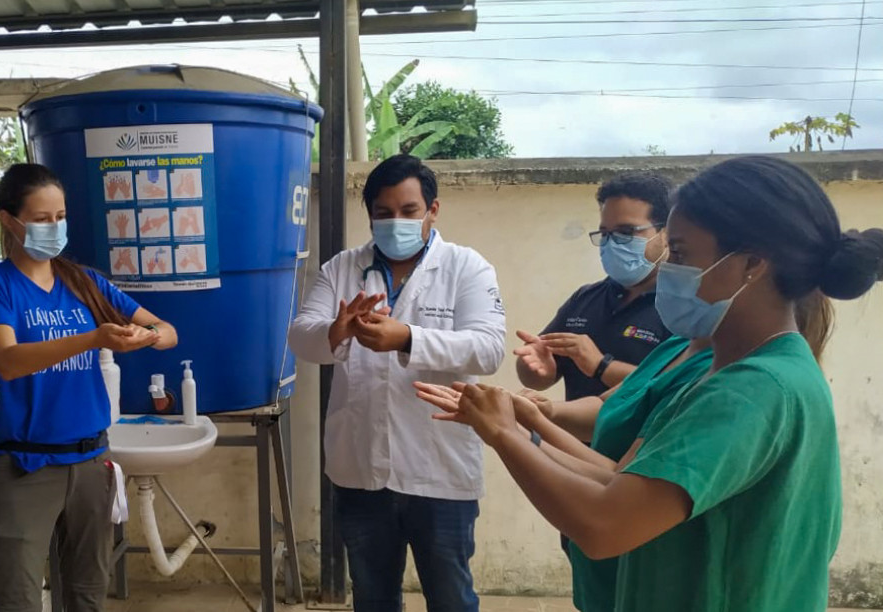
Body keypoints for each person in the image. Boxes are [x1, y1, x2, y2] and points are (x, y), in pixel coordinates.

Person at [419, 156, 883, 611]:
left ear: (751, 264)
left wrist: (503, 435)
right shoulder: (733, 368)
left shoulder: (752, 390)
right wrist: (519, 425)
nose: (666, 270)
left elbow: (605, 524)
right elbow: (621, 479)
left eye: (680, 254)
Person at [288, 154, 506, 612]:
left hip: (440, 471)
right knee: (372, 599)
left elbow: (488, 349)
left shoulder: (467, 267)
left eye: (409, 211)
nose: (396, 222)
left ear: (433, 210)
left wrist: (408, 338)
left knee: (451, 599)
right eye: (383, 214)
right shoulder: (341, 268)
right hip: (360, 471)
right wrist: (337, 330)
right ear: (369, 214)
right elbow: (301, 338)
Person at [0, 163, 179, 612]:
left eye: (60, 216)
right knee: (16, 598)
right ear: (9, 220)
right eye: (42, 219)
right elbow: (8, 360)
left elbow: (167, 330)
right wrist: (96, 338)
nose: (55, 227)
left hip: (89, 463)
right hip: (23, 465)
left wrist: (149, 335)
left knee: (86, 595)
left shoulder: (84, 282)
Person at [515, 173, 674, 405]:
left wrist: (601, 366)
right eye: (605, 234)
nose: (612, 243)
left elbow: (677, 388)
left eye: (627, 232)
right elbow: (540, 378)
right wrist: (534, 365)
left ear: (667, 234)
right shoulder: (586, 299)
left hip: (647, 441)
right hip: (573, 441)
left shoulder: (685, 306)